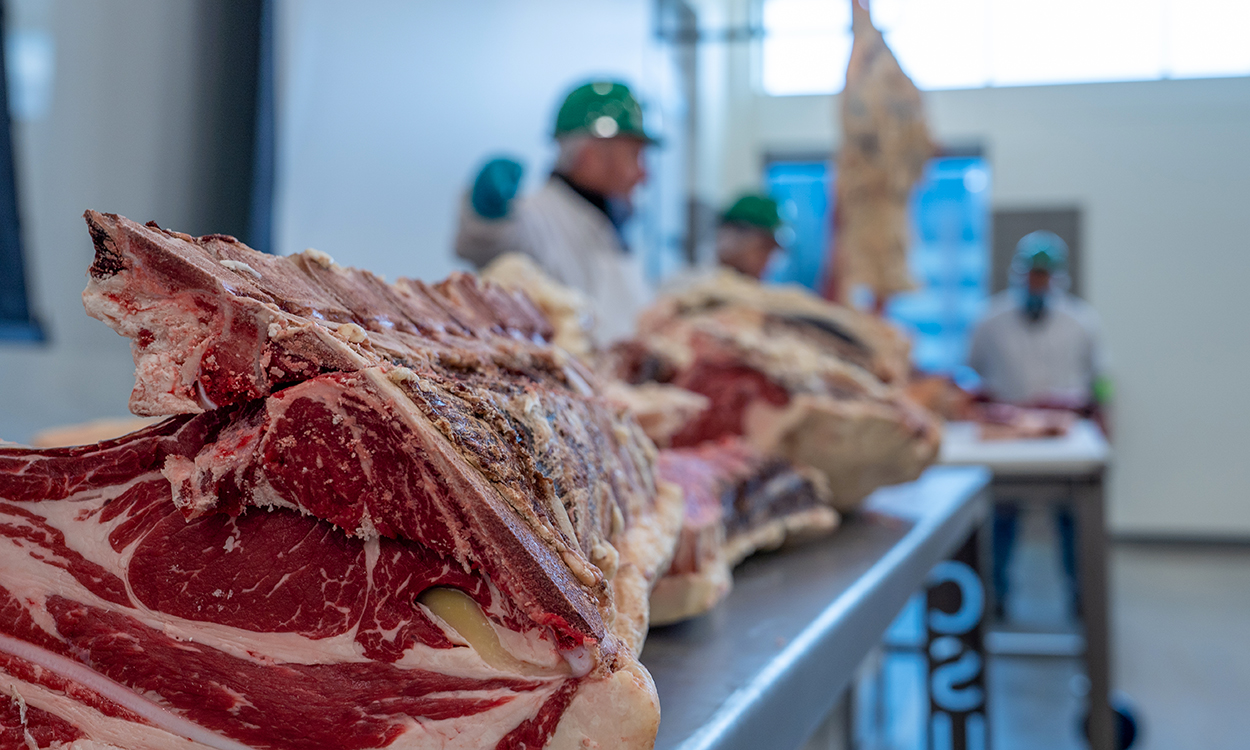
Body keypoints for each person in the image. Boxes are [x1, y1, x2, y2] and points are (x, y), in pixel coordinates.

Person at [968, 230, 1109, 620]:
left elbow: (1100, 377)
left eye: (1044, 276)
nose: (1037, 283)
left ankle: (1081, 598)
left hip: (1064, 431)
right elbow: (973, 370)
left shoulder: (1081, 321)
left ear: (1057, 278)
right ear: (1019, 274)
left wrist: (1104, 418)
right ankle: (996, 597)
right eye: (1032, 275)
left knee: (1072, 519)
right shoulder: (990, 320)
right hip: (1009, 431)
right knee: (1003, 516)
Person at [455, 81, 657, 344]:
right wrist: (486, 213)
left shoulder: (611, 218)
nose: (644, 175)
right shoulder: (535, 215)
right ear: (590, 156)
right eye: (634, 156)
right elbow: (487, 242)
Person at [715, 194, 783, 279]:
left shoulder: (757, 289)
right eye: (764, 248)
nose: (767, 260)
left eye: (770, 251)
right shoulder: (702, 282)